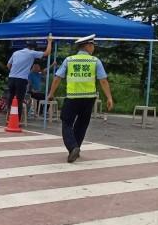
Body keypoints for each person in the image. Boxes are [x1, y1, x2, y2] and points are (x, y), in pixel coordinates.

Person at [48, 34, 113, 163]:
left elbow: (57, 78)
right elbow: (103, 81)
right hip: (89, 98)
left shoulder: (69, 60)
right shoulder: (95, 61)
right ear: (88, 46)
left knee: (66, 123)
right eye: (93, 45)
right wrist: (109, 98)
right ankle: (76, 147)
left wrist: (51, 93)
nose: (93, 48)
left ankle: (73, 147)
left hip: (72, 98)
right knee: (82, 124)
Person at [7, 38, 53, 120]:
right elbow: (47, 53)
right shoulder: (31, 53)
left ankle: (8, 116)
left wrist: (15, 72)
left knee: (10, 97)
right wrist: (49, 42)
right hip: (21, 80)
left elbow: (8, 65)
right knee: (19, 99)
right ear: (34, 48)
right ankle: (16, 119)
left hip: (11, 78)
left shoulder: (16, 53)